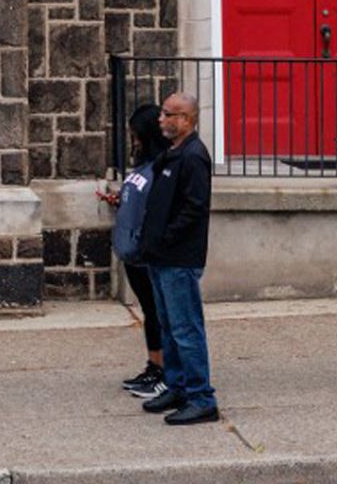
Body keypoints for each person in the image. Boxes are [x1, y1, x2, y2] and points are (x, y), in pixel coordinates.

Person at [137, 93, 218, 426]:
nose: (161, 120)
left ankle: (202, 398)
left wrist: (165, 237)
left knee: (186, 329)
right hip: (160, 256)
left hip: (178, 259)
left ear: (187, 119)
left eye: (168, 115)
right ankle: (177, 386)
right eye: (162, 114)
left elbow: (194, 209)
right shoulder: (172, 154)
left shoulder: (194, 156)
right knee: (169, 326)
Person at [98, 103, 169, 401]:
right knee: (149, 312)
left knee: (158, 312)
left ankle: (165, 372)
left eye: (137, 134)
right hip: (132, 251)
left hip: (148, 251)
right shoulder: (142, 164)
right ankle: (154, 365)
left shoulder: (164, 165)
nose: (133, 140)